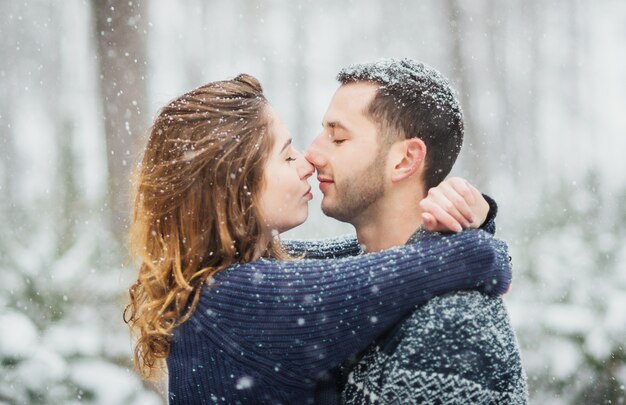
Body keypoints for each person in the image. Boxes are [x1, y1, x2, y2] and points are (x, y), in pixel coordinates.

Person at [124, 73, 512, 404]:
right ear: (233, 183)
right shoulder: (236, 299)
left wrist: (466, 217)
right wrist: (477, 240)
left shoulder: (228, 278)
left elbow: (361, 262)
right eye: (286, 155)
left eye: (338, 139)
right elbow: (448, 262)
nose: (308, 159)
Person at [304, 58, 528, 404]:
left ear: (406, 160)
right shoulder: (354, 272)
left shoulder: (451, 329)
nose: (313, 153)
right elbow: (270, 267)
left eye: (337, 138)